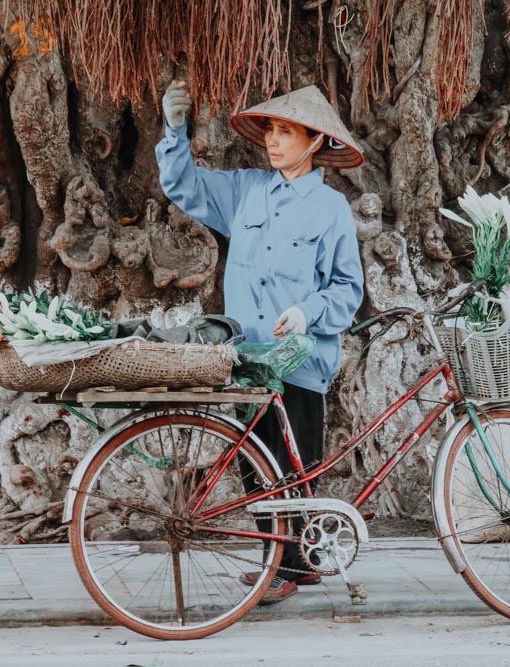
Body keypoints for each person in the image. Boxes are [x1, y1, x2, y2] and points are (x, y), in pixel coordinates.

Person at [156, 81, 365, 604]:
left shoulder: (331, 208)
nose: (274, 141)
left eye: (286, 131)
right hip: (247, 355)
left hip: (301, 359)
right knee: (254, 461)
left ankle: (293, 565)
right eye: (271, 129)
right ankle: (284, 561)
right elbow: (182, 186)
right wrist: (174, 130)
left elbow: (348, 290)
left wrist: (306, 313)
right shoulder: (244, 190)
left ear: (314, 141)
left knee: (296, 468)